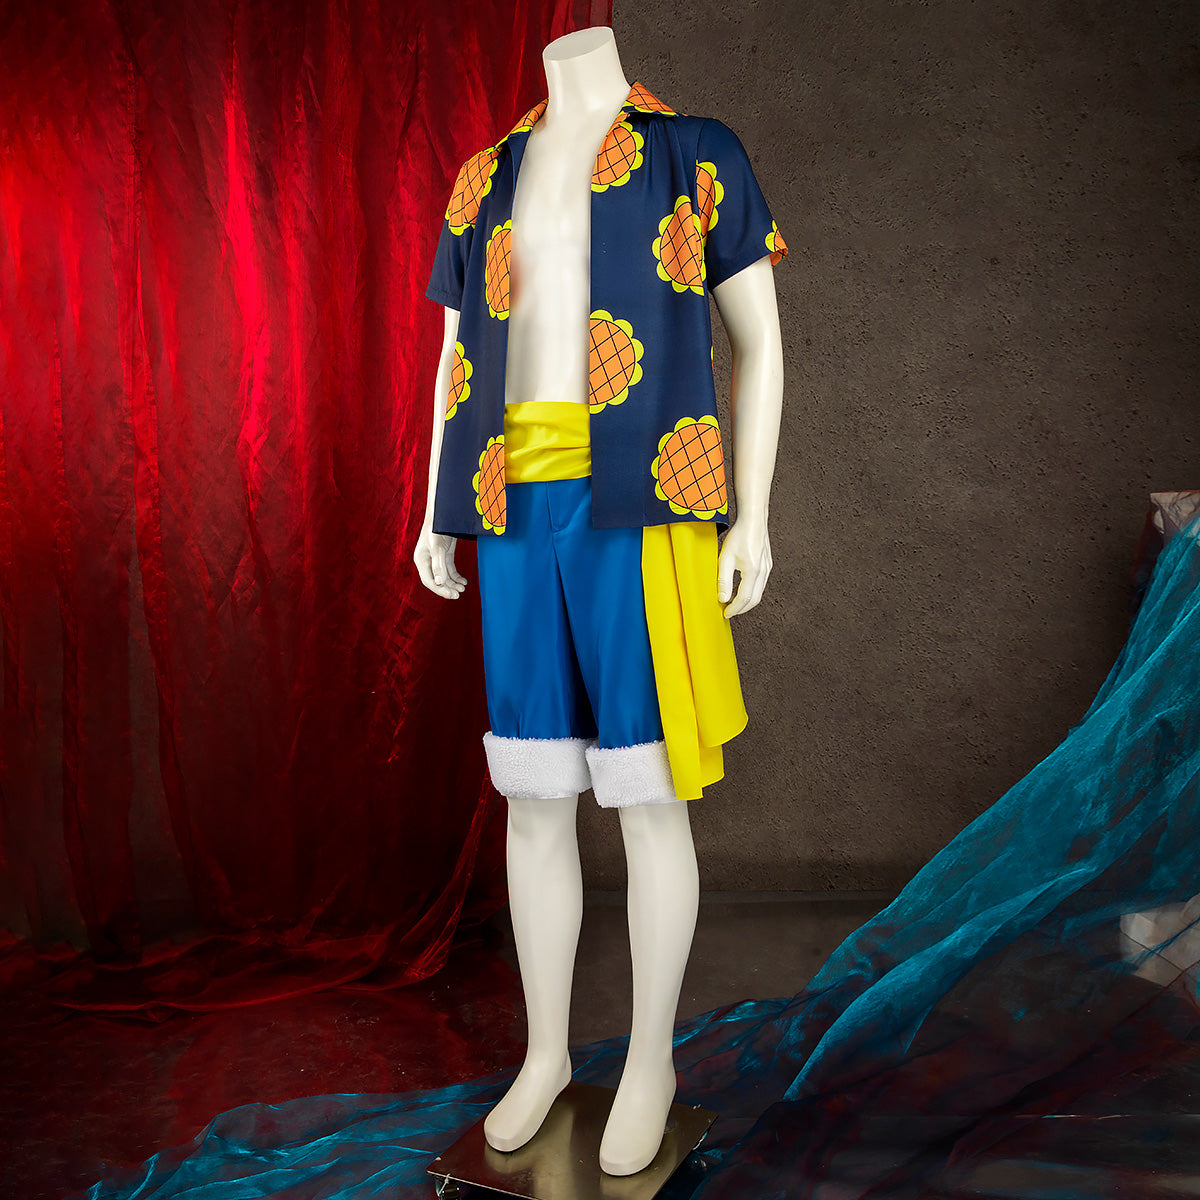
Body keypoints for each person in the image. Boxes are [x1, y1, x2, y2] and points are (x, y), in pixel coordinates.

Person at [413, 25, 787, 1176]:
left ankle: (651, 1063)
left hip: (645, 488)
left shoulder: (696, 152)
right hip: (511, 495)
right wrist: (432, 507)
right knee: (534, 792)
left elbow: (761, 343)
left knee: (648, 789)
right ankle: (543, 1056)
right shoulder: (484, 176)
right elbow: (454, 355)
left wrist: (751, 516)